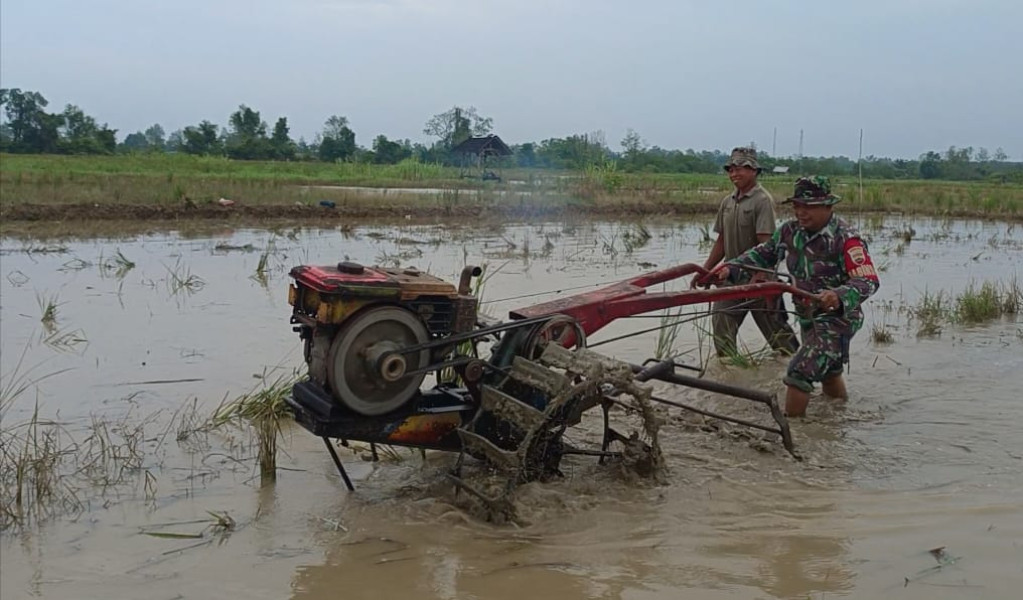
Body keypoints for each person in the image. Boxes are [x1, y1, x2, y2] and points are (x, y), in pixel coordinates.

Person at [708, 176, 880, 417]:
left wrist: (838, 295)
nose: (801, 212)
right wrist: (730, 268)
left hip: (838, 319)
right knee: (829, 372)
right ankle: (838, 419)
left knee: (799, 372)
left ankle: (794, 437)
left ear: (828, 206)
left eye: (808, 207)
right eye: (797, 206)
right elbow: (761, 254)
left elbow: (868, 280)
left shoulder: (846, 239)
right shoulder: (789, 231)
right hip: (807, 315)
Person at [696, 146, 798, 357]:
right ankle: (730, 378)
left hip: (758, 278)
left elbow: (767, 245)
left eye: (740, 168)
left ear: (754, 171)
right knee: (722, 331)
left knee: (780, 339)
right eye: (731, 169)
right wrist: (704, 270)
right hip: (730, 278)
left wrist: (759, 275)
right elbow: (722, 241)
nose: (734, 174)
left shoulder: (762, 201)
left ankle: (797, 374)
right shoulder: (727, 202)